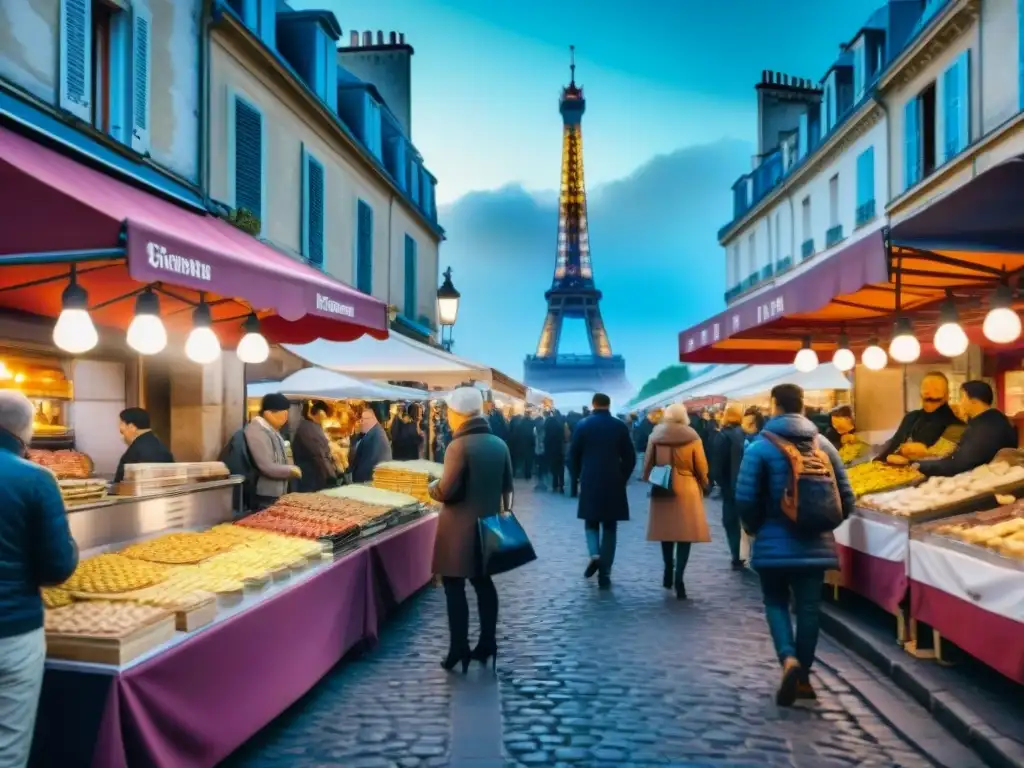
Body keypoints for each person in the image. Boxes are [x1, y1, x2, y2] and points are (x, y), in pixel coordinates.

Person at [735, 383, 855, 706]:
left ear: (773, 405)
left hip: (773, 543)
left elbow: (744, 499)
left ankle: (788, 659)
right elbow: (847, 499)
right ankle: (803, 677)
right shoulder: (825, 446)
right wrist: (821, 525)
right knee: (809, 609)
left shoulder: (759, 447)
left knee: (775, 602)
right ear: (802, 406)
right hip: (816, 545)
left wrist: (756, 528)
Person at [0, 391, 78, 765]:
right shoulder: (35, 479)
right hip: (12, 631)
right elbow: (56, 569)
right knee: (8, 745)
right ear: (25, 431)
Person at [429, 387, 513, 673]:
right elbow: (508, 489)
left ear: (458, 413)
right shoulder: (498, 444)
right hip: (488, 524)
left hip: (457, 529)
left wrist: (432, 487)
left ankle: (458, 647)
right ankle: (488, 643)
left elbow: (446, 489)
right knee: (484, 583)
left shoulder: (458, 446)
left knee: (454, 586)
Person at [568, 393, 637, 589]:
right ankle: (605, 572)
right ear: (608, 405)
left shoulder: (583, 425)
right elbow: (630, 457)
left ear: (593, 405)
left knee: (591, 521)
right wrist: (622, 477)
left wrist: (578, 477)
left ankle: (595, 555)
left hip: (589, 479)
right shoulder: (619, 426)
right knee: (610, 526)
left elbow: (572, 455)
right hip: (613, 480)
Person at [642, 404, 710, 599]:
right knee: (684, 535)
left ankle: (667, 569)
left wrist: (648, 477)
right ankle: (679, 576)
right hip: (687, 485)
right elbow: (701, 465)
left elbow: (648, 463)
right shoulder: (693, 436)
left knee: (666, 532)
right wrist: (704, 482)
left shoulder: (656, 435)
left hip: (663, 484)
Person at [916, 380, 1018, 477]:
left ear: (974, 401)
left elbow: (960, 464)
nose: (958, 403)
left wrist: (918, 465)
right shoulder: (991, 420)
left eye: (961, 398)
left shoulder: (987, 428)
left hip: (981, 484)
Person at [876, 371, 963, 462]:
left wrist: (923, 453)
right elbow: (892, 445)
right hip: (890, 472)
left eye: (936, 390)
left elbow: (943, 458)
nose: (928, 393)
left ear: (946, 395)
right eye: (925, 388)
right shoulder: (910, 417)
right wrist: (878, 462)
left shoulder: (956, 426)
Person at [245, 393, 302, 509]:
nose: (286, 417)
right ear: (268, 413)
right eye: (283, 413)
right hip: (265, 495)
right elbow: (266, 466)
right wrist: (290, 470)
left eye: (287, 413)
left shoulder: (273, 431)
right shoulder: (257, 432)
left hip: (277, 493)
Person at [714, 403, 747, 569]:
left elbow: (717, 467)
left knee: (731, 522)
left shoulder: (723, 436)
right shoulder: (745, 435)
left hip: (730, 487)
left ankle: (736, 554)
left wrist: (722, 485)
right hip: (747, 485)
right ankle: (744, 553)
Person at [113, 407, 175, 485]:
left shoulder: (137, 449)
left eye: (122, 430)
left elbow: (122, 483)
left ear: (131, 427)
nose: (122, 434)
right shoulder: (156, 444)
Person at [292, 399, 338, 492]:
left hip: (313, 475)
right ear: (319, 413)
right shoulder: (309, 428)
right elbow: (319, 454)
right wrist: (331, 475)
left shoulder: (311, 427)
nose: (324, 420)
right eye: (324, 416)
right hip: (312, 477)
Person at [350, 406, 392, 483]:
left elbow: (370, 465)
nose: (360, 422)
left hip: (369, 482)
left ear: (371, 420)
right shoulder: (373, 433)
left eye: (362, 420)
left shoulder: (377, 436)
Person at [544, 409, 566, 493]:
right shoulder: (560, 425)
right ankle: (561, 485)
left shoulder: (548, 426)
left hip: (550, 450)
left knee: (553, 468)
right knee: (560, 468)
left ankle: (554, 484)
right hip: (559, 449)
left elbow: (546, 439)